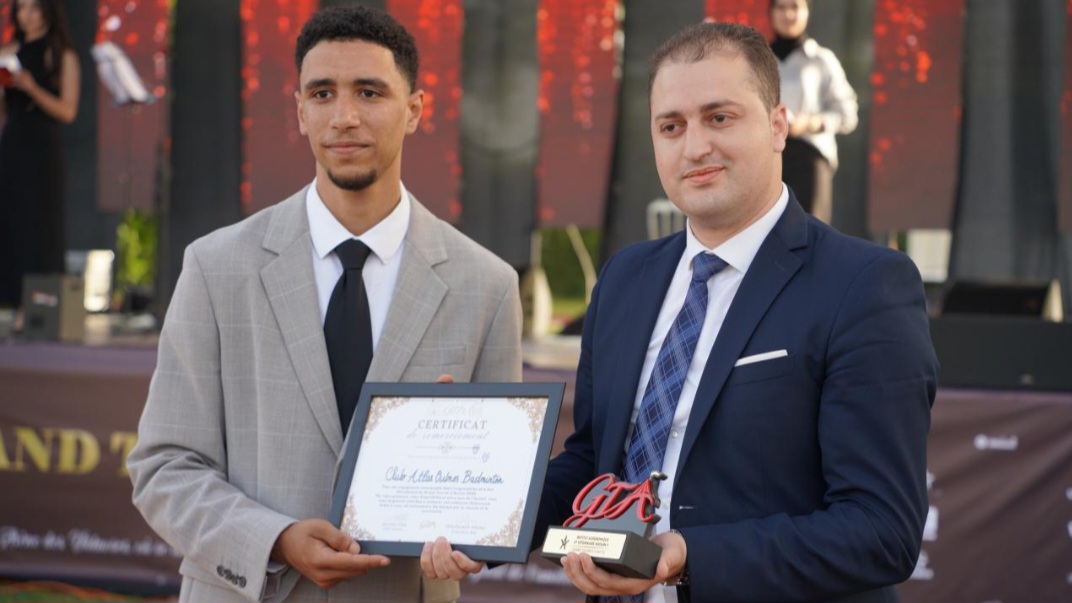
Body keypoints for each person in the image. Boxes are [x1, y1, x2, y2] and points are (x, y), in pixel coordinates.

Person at [423, 21, 936, 603]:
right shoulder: (624, 278)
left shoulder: (864, 285)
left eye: (719, 117)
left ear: (778, 126)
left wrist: (690, 556)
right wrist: (482, 512)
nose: (694, 147)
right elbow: (593, 463)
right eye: (672, 126)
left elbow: (881, 530)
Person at [127, 6, 522, 603]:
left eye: (370, 92)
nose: (344, 117)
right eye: (322, 93)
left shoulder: (486, 285)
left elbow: (498, 496)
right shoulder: (215, 267)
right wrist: (275, 540)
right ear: (300, 111)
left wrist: (473, 526)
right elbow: (164, 467)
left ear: (415, 109)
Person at [0, 0, 80, 325]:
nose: (27, 16)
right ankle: (9, 299)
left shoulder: (61, 55)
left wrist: (31, 87)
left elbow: (67, 111)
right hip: (12, 143)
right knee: (10, 221)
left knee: (39, 226)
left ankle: (34, 308)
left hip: (43, 147)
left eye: (33, 8)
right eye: (21, 9)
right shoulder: (8, 51)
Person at [770, 0, 857, 223]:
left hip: (809, 157)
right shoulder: (759, 60)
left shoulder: (821, 60)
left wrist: (810, 123)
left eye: (795, 7)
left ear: (807, 11)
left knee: (809, 231)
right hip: (768, 159)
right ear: (772, 12)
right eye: (781, 7)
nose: (788, 14)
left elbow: (847, 114)